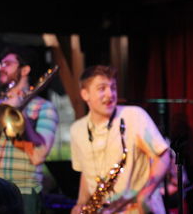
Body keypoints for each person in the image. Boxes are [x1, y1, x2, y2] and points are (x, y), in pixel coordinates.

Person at [70, 65, 171, 214]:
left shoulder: (134, 116)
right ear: (85, 94)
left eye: (113, 87)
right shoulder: (77, 129)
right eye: (101, 88)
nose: (110, 94)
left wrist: (144, 195)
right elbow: (86, 173)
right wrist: (81, 203)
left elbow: (163, 156)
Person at [0, 45, 59, 214]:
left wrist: (20, 114)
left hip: (23, 192)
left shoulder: (44, 108)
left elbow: (39, 156)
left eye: (7, 64)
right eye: (0, 64)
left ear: (25, 70)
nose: (1, 68)